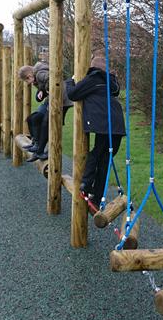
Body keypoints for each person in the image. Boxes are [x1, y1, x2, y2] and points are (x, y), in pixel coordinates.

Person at [66, 56, 126, 208]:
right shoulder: (111, 82)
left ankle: (86, 183)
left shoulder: (92, 78)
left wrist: (70, 81)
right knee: (106, 159)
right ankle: (97, 197)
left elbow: (73, 94)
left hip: (104, 122)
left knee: (97, 153)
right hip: (117, 123)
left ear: (93, 68)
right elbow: (116, 91)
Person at [18, 61, 73, 162]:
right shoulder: (36, 76)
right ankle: (36, 144)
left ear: (29, 76)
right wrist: (41, 92)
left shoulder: (39, 74)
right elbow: (42, 90)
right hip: (53, 99)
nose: (28, 83)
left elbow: (50, 79)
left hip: (61, 99)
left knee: (46, 123)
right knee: (33, 118)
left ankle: (40, 150)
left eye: (27, 81)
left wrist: (45, 90)